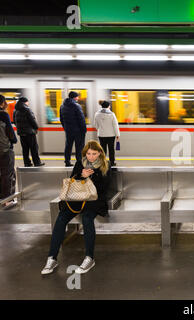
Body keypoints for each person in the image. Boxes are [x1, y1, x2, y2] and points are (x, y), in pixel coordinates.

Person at [41, 140, 111, 275]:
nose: (91, 157)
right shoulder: (80, 163)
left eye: (94, 154)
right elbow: (73, 180)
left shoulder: (105, 165)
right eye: (88, 154)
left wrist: (91, 176)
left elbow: (104, 188)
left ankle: (89, 258)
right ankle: (52, 258)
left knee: (87, 219)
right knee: (61, 217)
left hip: (94, 200)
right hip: (77, 199)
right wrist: (81, 175)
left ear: (100, 153)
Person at [13, 97, 45, 167]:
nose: (28, 103)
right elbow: (32, 120)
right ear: (25, 102)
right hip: (29, 132)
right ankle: (37, 163)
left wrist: (20, 128)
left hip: (21, 133)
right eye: (27, 102)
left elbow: (15, 122)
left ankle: (27, 163)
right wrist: (36, 127)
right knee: (34, 148)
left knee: (25, 149)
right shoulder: (27, 109)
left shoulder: (15, 110)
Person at [60, 91, 86, 167]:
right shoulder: (76, 106)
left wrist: (66, 128)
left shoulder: (62, 106)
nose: (78, 98)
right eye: (77, 97)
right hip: (78, 131)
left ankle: (67, 161)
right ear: (75, 97)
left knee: (68, 146)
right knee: (79, 147)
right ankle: (79, 162)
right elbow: (81, 119)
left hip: (69, 131)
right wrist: (84, 130)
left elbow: (61, 119)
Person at [0, 95, 18, 207]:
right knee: (8, 174)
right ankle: (7, 200)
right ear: (2, 103)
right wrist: (14, 140)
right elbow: (10, 132)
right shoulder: (3, 114)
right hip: (4, 150)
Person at [94, 100, 120, 166]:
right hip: (111, 135)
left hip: (101, 135)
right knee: (111, 149)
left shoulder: (97, 114)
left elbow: (96, 125)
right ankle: (112, 162)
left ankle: (103, 162)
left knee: (102, 149)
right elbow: (115, 125)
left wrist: (100, 129)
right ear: (108, 106)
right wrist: (117, 134)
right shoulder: (112, 114)